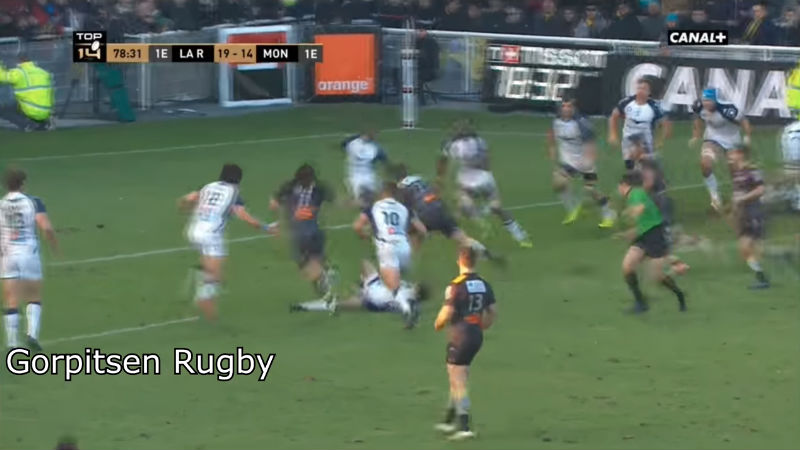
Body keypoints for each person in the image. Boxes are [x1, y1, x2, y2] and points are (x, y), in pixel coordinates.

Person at [179, 164, 272, 322]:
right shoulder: (234, 193)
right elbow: (245, 217)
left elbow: (186, 199)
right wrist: (265, 227)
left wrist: (187, 209)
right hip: (211, 236)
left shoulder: (208, 187)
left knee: (213, 272)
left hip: (193, 231)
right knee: (216, 278)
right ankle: (204, 298)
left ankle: (205, 286)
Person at [433, 246, 497, 440]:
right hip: (476, 334)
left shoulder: (456, 286)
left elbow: (447, 312)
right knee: (458, 376)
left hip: (460, 336)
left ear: (460, 261)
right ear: (475, 261)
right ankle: (448, 420)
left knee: (458, 380)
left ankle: (464, 427)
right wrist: (483, 325)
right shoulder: (484, 284)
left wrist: (438, 324)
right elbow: (493, 311)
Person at [438, 120, 532, 247]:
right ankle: (519, 234)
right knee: (497, 207)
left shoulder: (452, 145)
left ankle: (480, 219)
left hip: (467, 181)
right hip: (486, 179)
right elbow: (487, 161)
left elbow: (443, 160)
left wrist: (441, 177)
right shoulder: (481, 142)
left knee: (462, 201)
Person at [353, 182, 427, 327]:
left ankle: (407, 309)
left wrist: (365, 236)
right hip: (404, 247)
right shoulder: (404, 208)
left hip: (387, 248)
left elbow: (357, 226)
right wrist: (416, 246)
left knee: (393, 287)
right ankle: (405, 299)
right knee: (395, 282)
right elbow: (422, 230)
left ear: (383, 193)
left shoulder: (374, 207)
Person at [1, 168, 58, 351]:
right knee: (33, 295)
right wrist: (54, 245)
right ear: (23, 184)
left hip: (7, 255)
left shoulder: (1, 204)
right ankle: (31, 335)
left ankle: (12, 342)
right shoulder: (33, 202)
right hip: (28, 253)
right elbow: (45, 227)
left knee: (11, 299)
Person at [393, 164, 498, 261]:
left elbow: (409, 213)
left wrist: (421, 228)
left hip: (426, 213)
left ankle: (408, 260)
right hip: (439, 208)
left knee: (413, 233)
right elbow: (435, 191)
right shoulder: (419, 179)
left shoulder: (401, 189)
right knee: (459, 235)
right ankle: (483, 252)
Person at [618, 171, 686, 313]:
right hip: (643, 236)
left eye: (619, 186)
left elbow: (640, 209)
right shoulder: (634, 195)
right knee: (627, 266)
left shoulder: (636, 193)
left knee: (657, 276)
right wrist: (631, 232)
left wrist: (629, 213)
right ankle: (640, 303)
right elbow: (645, 218)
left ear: (624, 185)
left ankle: (680, 295)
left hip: (655, 236)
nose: (618, 190)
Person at [270, 164, 338, 306]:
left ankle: (325, 282)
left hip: (305, 234)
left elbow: (274, 204)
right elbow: (333, 202)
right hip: (311, 232)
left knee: (308, 267)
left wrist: (282, 217)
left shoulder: (293, 187)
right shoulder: (317, 188)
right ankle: (325, 282)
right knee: (313, 263)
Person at [290, 259, 427, 328]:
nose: (416, 284)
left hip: (372, 298)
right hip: (374, 288)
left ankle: (303, 306)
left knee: (339, 304)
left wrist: (409, 321)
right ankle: (360, 286)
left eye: (418, 286)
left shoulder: (407, 298)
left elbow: (406, 308)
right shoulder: (408, 289)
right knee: (365, 263)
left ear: (418, 292)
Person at [548, 97, 616, 227]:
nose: (566, 109)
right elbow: (551, 138)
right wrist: (554, 160)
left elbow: (591, 147)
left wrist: (589, 170)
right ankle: (573, 208)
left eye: (569, 106)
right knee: (558, 184)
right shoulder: (556, 121)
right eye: (563, 106)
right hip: (568, 161)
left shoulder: (582, 124)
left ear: (574, 108)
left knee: (591, 191)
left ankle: (609, 214)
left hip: (585, 160)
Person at [689, 88, 753, 212]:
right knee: (705, 164)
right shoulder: (699, 106)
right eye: (704, 100)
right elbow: (697, 117)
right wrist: (696, 135)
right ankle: (715, 198)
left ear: (716, 101)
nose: (706, 103)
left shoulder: (727, 109)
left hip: (732, 140)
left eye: (709, 100)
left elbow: (744, 121)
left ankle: (740, 198)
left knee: (736, 172)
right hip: (712, 139)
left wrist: (747, 137)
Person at [729, 146, 770, 289]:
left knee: (751, 246)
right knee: (744, 248)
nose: (729, 157)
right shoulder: (737, 172)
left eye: (732, 154)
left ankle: (763, 277)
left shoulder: (752, 170)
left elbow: (761, 189)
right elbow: (737, 194)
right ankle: (761, 276)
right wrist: (734, 210)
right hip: (743, 213)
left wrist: (743, 198)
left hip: (753, 211)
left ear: (740, 154)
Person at [608, 77, 671, 170]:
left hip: (645, 138)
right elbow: (614, 116)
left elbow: (666, 123)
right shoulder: (627, 102)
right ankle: (651, 160)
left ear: (649, 92)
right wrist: (613, 135)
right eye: (639, 88)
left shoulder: (654, 106)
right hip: (628, 137)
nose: (641, 91)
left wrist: (660, 140)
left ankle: (646, 162)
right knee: (630, 164)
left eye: (644, 89)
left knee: (637, 156)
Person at [0, 54, 53, 132]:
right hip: (45, 111)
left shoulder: (19, 73)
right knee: (16, 103)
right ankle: (43, 123)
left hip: (30, 109)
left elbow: (1, 77)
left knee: (3, 109)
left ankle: (27, 124)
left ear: (19, 61)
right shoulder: (43, 72)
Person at [341, 131, 389, 208]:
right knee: (366, 199)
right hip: (362, 176)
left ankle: (351, 203)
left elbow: (343, 144)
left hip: (358, 176)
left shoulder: (352, 143)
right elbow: (384, 159)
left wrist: (356, 136)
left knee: (368, 197)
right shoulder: (374, 147)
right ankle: (351, 204)